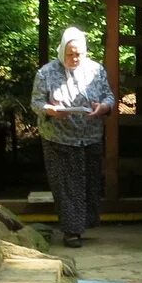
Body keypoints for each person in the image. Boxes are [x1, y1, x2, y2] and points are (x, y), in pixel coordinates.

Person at [30, 27, 115, 249]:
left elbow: (109, 96)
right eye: (70, 54)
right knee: (66, 186)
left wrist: (103, 107)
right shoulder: (46, 73)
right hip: (58, 138)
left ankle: (83, 225)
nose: (75, 58)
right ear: (61, 51)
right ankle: (71, 231)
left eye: (79, 54)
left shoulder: (96, 70)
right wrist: (51, 110)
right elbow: (36, 102)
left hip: (90, 136)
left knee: (89, 183)